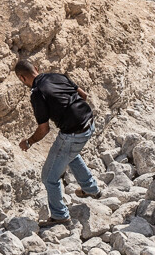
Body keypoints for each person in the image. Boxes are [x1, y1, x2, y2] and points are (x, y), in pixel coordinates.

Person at [14, 59, 101, 226]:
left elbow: (44, 129)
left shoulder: (37, 93)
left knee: (48, 177)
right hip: (89, 122)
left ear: (22, 78)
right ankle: (91, 189)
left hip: (73, 133)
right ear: (37, 68)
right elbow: (83, 95)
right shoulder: (56, 76)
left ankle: (60, 215)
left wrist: (29, 142)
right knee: (69, 154)